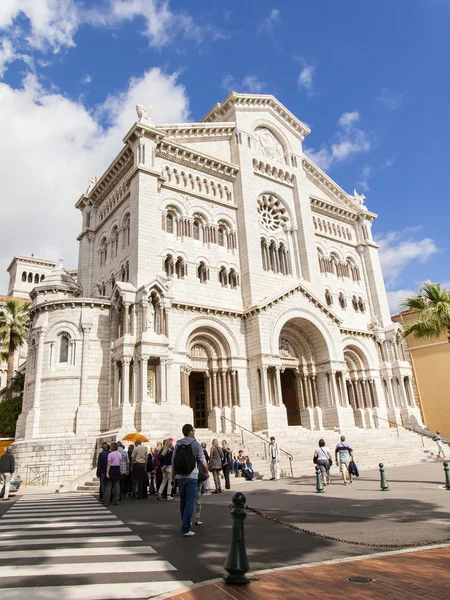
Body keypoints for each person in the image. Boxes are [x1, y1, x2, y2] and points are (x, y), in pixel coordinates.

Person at [172, 423, 209, 537]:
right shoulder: (195, 444)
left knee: (183, 501)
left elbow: (173, 462)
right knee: (189, 502)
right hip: (192, 476)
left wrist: (173, 478)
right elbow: (203, 461)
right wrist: (207, 472)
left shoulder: (178, 444)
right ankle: (186, 528)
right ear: (190, 432)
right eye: (193, 430)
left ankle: (185, 523)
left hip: (180, 477)